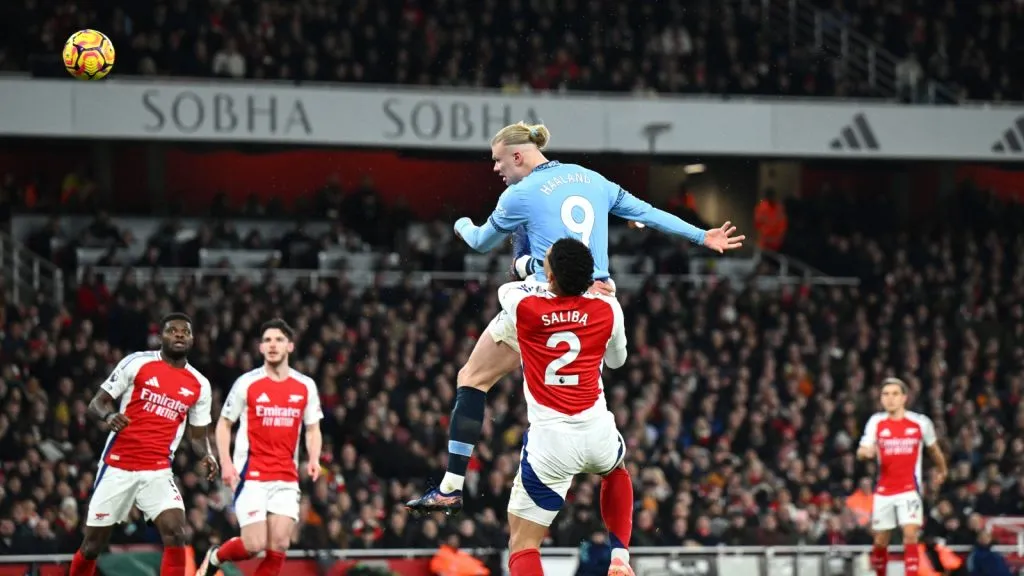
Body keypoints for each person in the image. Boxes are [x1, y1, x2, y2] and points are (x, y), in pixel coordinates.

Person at [407, 121, 744, 515]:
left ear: (518, 156)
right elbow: (648, 213)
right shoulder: (594, 179)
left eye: (498, 161)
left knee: (472, 378)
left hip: (542, 305)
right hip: (595, 307)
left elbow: (480, 242)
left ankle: (451, 486)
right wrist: (702, 236)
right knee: (595, 380)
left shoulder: (520, 193)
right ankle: (602, 481)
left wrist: (460, 224)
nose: (496, 170)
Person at [505, 238, 636, 576]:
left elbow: (511, 283)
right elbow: (618, 361)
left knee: (523, 545)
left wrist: (528, 266)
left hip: (552, 441)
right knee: (615, 470)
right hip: (595, 429)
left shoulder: (524, 306)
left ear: (550, 277)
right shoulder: (608, 308)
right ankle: (620, 556)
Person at [70, 313, 217, 576]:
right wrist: (109, 415)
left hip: (158, 470)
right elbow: (97, 403)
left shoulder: (200, 385)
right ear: (161, 336)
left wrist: (206, 455)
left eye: (186, 331)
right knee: (93, 545)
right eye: (173, 330)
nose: (180, 334)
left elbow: (196, 436)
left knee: (176, 532)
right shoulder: (137, 363)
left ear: (193, 339)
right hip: (118, 465)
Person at [196, 319, 323, 576]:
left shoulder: (305, 386)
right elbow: (224, 424)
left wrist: (314, 458)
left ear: (290, 346)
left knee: (280, 544)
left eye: (278, 340)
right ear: (261, 348)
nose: (272, 345)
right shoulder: (247, 383)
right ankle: (215, 556)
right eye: (267, 340)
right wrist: (227, 463)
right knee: (254, 545)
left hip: (286, 476)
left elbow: (312, 428)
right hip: (251, 473)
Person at [857, 378, 948, 576]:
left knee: (910, 533)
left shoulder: (920, 423)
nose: (890, 399)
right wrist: (866, 453)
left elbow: (934, 449)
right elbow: (862, 450)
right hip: (884, 490)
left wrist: (942, 469)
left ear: (904, 398)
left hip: (910, 489)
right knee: (881, 539)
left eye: (894, 394)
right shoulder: (876, 422)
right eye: (885, 394)